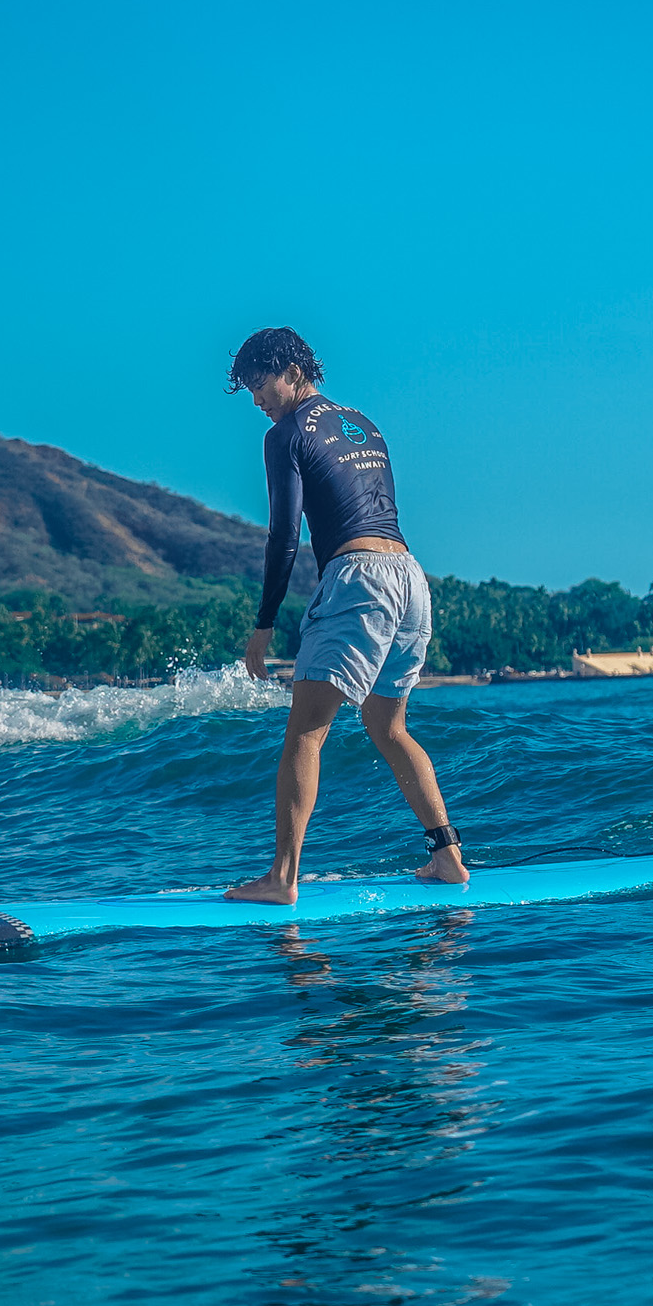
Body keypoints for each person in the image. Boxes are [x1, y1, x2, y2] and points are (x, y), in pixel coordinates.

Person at [222, 327, 465, 905]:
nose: (258, 402)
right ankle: (448, 858)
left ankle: (282, 879)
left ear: (290, 370)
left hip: (358, 580)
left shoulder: (286, 435)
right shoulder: (365, 423)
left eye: (261, 386)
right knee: (388, 727)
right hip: (409, 578)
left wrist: (264, 625)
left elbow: (285, 536)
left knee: (305, 734)